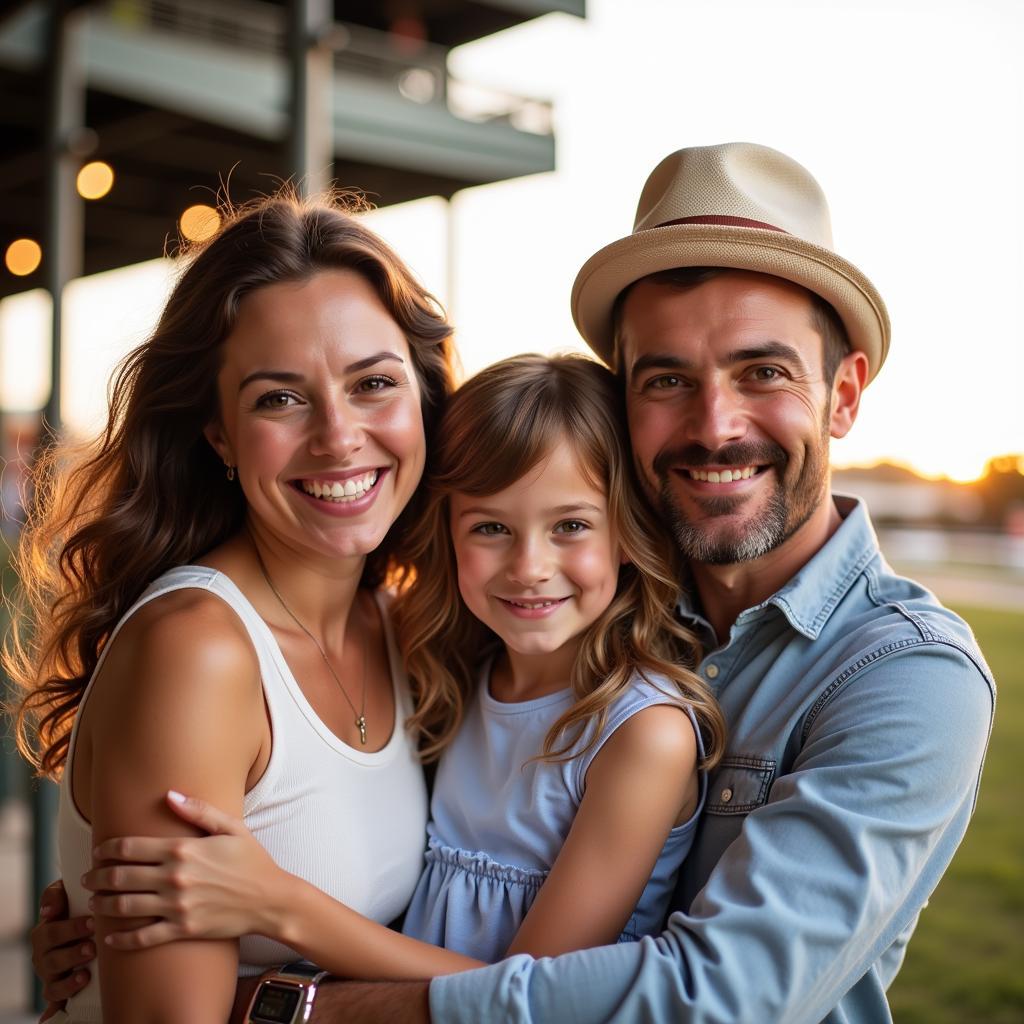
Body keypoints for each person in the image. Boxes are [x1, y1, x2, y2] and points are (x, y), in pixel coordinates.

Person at [34, 142, 996, 1024]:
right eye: (664, 380)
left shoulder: (907, 678)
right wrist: (94, 922)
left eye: (763, 371)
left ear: (844, 393)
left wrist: (285, 1001)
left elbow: (713, 1000)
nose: (714, 423)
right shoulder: (476, 642)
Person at [66, 354, 726, 974]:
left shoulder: (643, 735)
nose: (530, 568)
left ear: (629, 536)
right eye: (490, 528)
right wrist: (87, 932)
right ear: (447, 532)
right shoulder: (449, 675)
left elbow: (531, 998)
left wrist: (279, 905)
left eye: (571, 526)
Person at [5, 189, 459, 1022]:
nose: (338, 436)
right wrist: (520, 996)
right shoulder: (198, 652)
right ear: (217, 433)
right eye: (279, 398)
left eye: (374, 384)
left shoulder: (403, 618)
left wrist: (281, 938)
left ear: (423, 399)